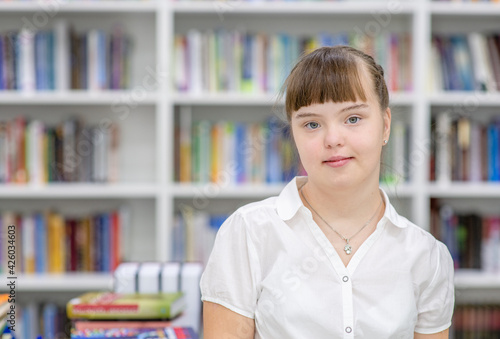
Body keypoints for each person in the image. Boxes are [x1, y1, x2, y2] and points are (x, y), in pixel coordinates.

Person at [200, 45, 455, 338]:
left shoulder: (428, 257)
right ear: (293, 134)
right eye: (312, 124)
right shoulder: (247, 232)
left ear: (385, 126)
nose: (333, 139)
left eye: (353, 118)